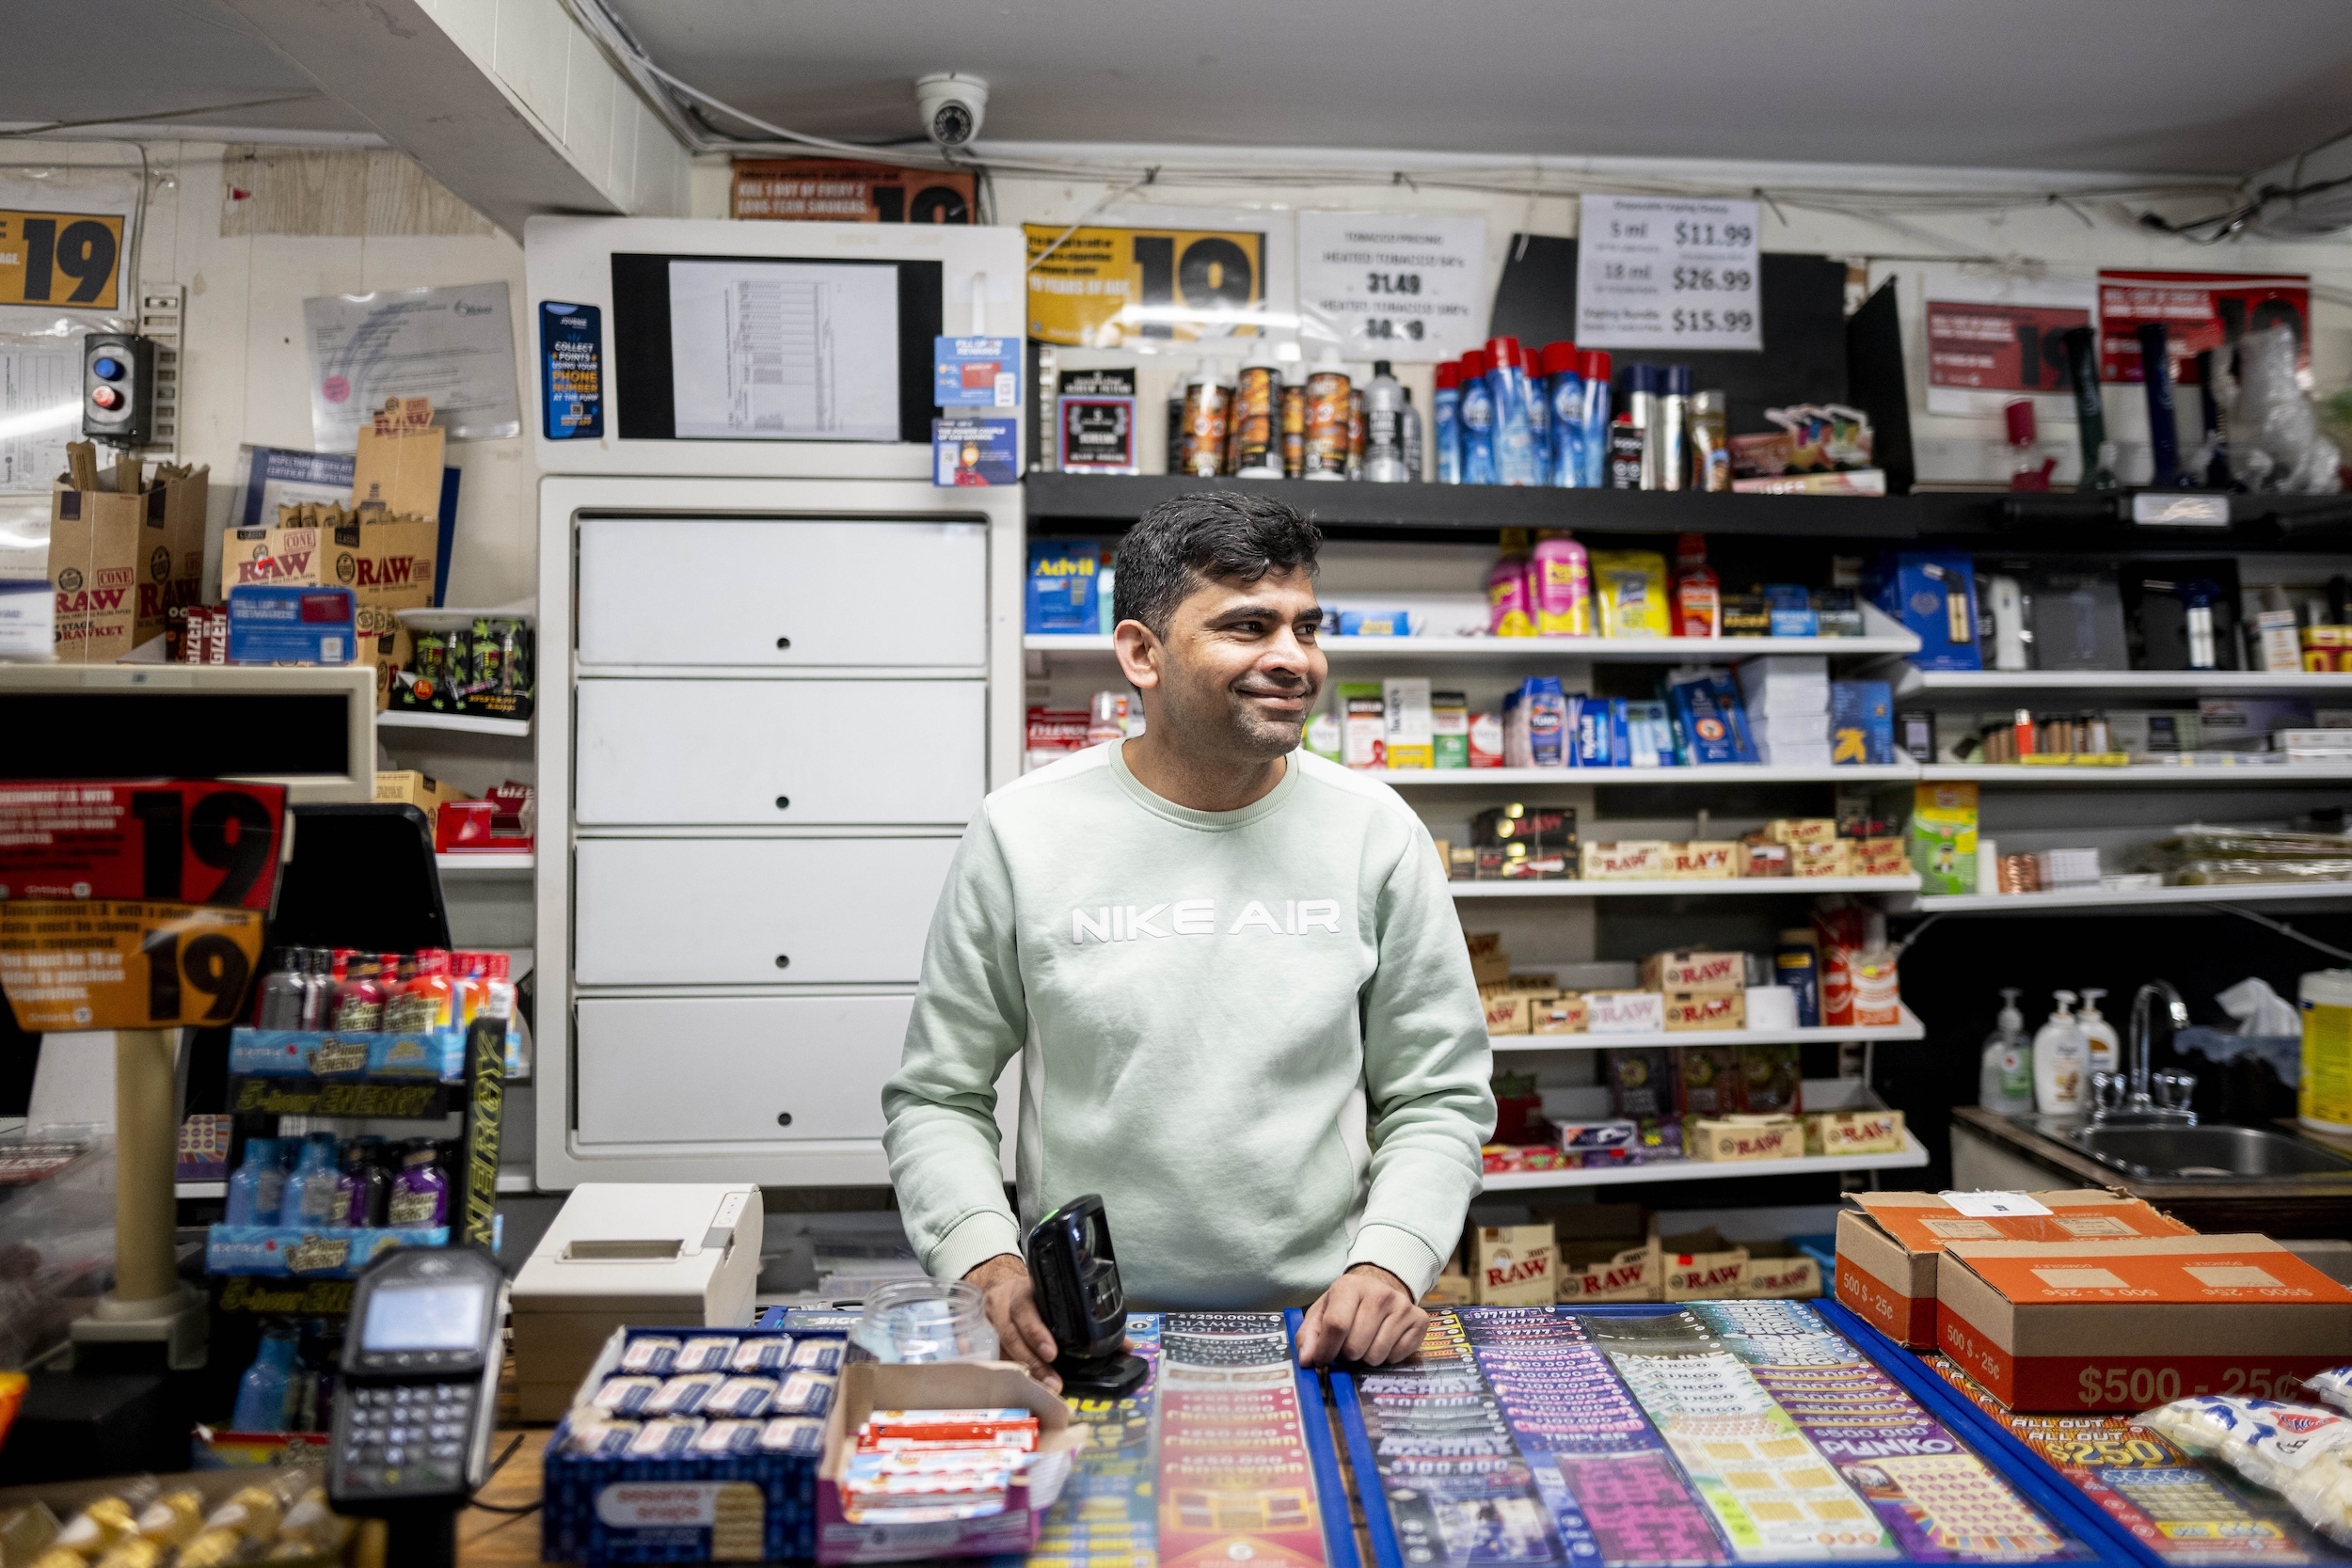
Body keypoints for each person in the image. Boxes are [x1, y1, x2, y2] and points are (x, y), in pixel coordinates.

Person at [882, 490, 1493, 1384]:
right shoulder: (1023, 830)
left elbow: (1438, 1094)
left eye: (1306, 627)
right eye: (1248, 626)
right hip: (1088, 1335)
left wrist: (1390, 1259)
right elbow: (938, 1094)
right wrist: (983, 1256)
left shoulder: (1375, 830)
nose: (1293, 659)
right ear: (1142, 652)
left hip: (1321, 1330)